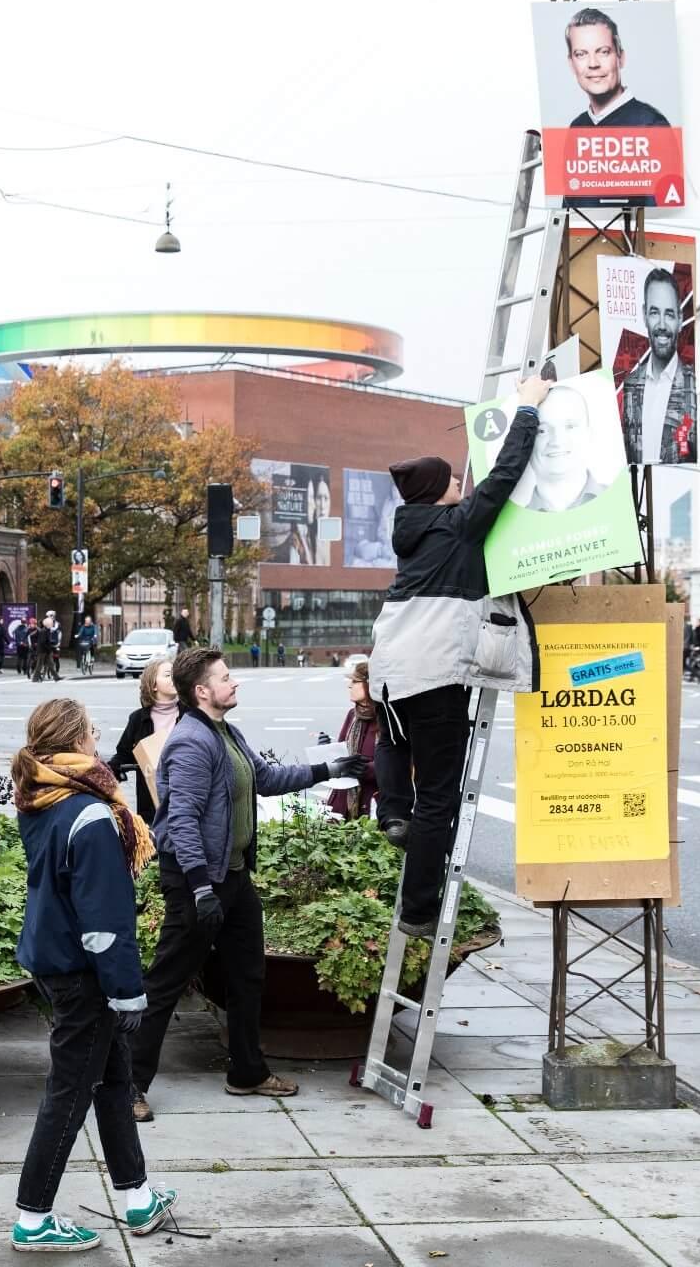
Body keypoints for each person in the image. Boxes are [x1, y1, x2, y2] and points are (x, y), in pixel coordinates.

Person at [129, 647, 366, 1121]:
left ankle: (247, 1072)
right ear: (202, 692)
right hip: (198, 881)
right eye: (225, 677)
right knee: (166, 982)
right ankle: (129, 1085)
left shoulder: (225, 733)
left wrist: (326, 771)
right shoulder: (192, 742)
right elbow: (183, 822)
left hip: (232, 878)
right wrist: (199, 888)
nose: (234, 683)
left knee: (247, 975)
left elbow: (264, 777)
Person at [370, 375, 546, 938]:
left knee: (406, 765)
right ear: (440, 490)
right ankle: (419, 911)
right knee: (441, 796)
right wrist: (526, 410)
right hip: (435, 675)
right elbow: (502, 480)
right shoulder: (456, 526)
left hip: (392, 674)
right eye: (453, 480)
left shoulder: (414, 533)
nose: (460, 486)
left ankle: (393, 813)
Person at [10, 697, 178, 1250]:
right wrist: (127, 994)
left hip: (54, 958)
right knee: (70, 1090)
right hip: (83, 974)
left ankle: (138, 1197)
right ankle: (33, 1219)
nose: (98, 738)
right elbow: (105, 923)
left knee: (112, 1082)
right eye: (92, 732)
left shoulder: (41, 795)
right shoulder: (88, 813)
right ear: (76, 741)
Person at [618, 268, 695, 465]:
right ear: (645, 316)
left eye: (669, 314)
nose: (661, 324)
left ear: (679, 319)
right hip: (638, 492)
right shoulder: (630, 386)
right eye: (654, 313)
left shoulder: (695, 386)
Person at [563, 6, 671, 129]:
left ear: (621, 58)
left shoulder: (651, 124)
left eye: (603, 52)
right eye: (581, 54)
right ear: (571, 64)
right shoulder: (577, 126)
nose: (593, 64)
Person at [514, 383, 613, 513]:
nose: (557, 441)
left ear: (589, 433)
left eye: (570, 426)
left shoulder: (619, 503)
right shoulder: (515, 525)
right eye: (542, 431)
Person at [108, 659, 180, 824]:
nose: (174, 678)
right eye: (168, 675)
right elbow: (123, 755)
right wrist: (104, 773)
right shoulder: (137, 719)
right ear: (153, 685)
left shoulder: (189, 714)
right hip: (151, 805)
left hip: (185, 797)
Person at [329, 661, 381, 821]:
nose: (349, 686)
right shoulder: (353, 715)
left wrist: (366, 770)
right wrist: (326, 748)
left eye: (355, 681)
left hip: (371, 805)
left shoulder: (385, 718)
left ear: (369, 684)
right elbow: (341, 751)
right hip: (342, 802)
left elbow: (398, 764)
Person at [27, 616, 49, 684]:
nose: (31, 625)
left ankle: (39, 672)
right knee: (30, 659)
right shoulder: (28, 630)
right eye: (31, 624)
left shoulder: (39, 630)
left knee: (38, 660)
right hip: (32, 646)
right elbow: (27, 637)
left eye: (33, 624)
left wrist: (38, 643)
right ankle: (31, 669)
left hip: (38, 647)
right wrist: (28, 643)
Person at [43, 611, 64, 682]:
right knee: (46, 658)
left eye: (50, 616)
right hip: (48, 643)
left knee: (56, 658)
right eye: (48, 616)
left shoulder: (57, 624)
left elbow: (60, 633)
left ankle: (56, 672)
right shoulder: (45, 623)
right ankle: (45, 672)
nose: (49, 617)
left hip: (56, 642)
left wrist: (59, 643)